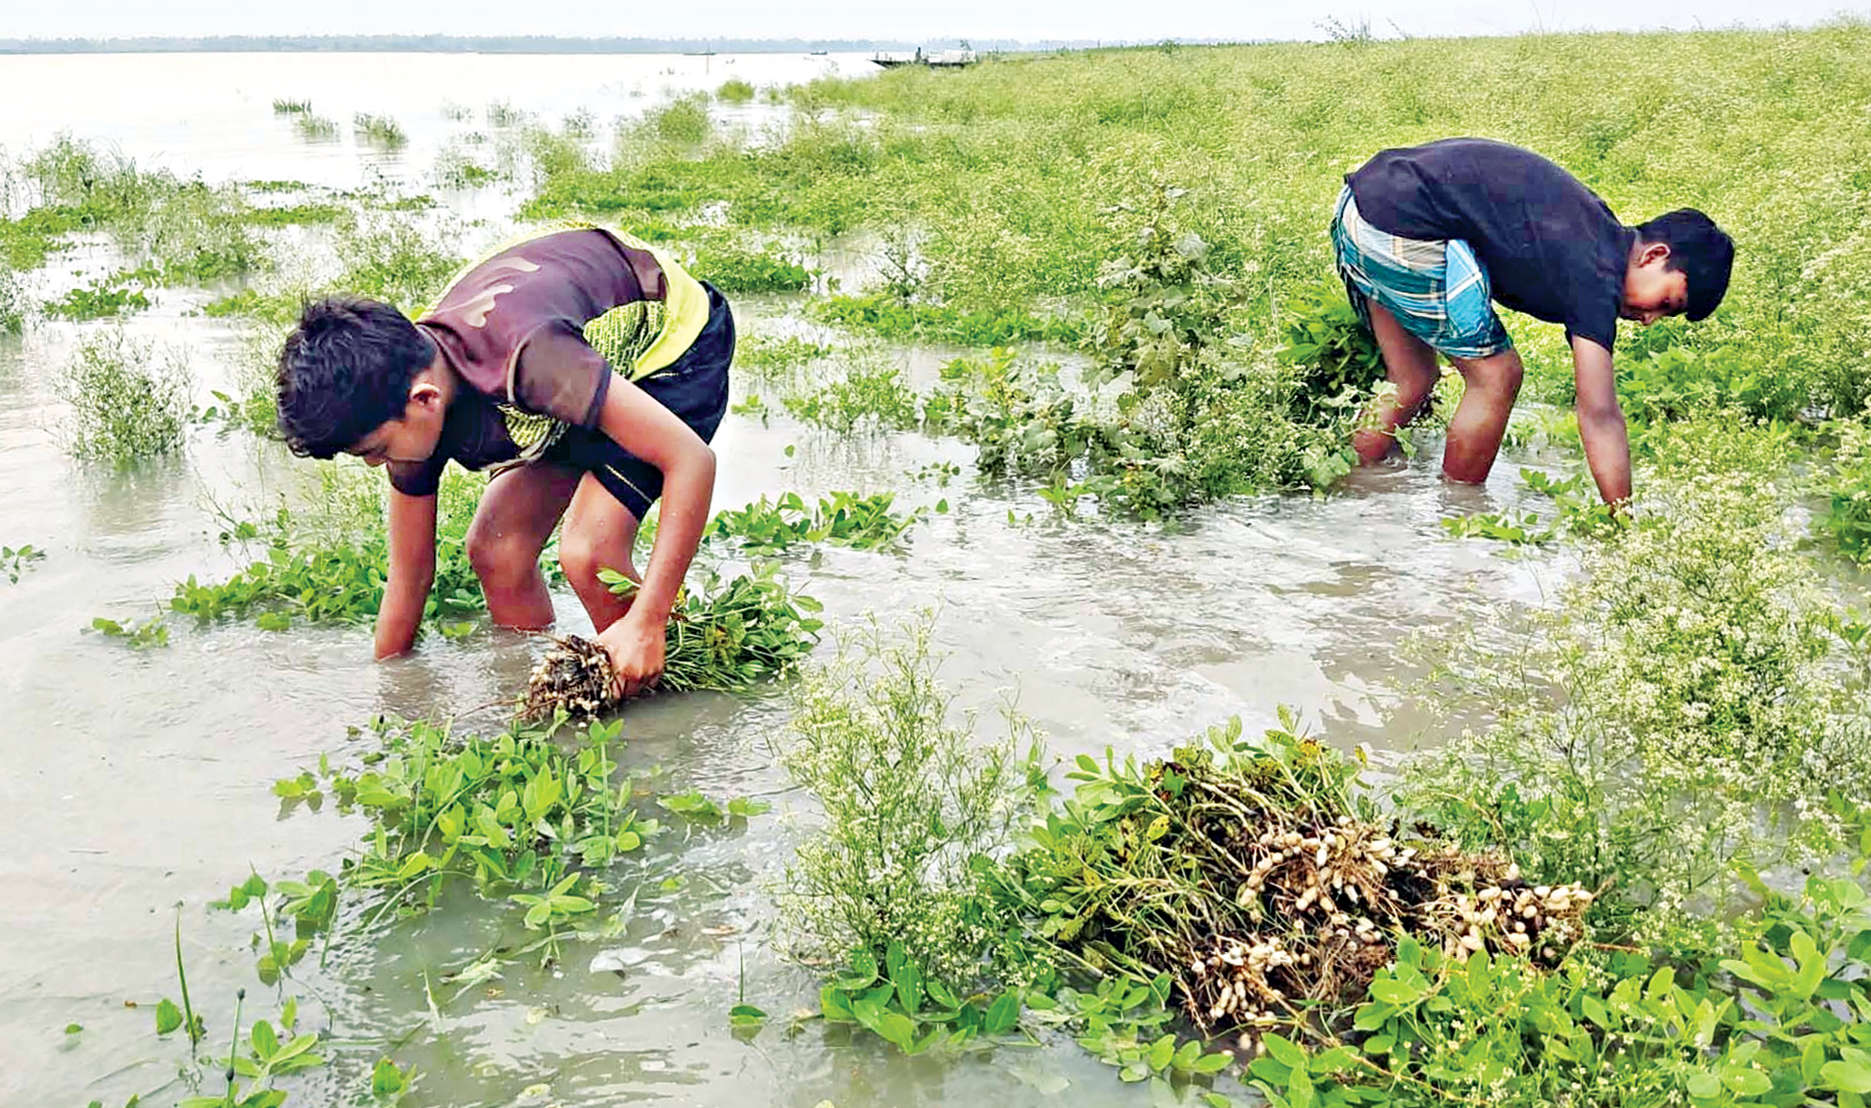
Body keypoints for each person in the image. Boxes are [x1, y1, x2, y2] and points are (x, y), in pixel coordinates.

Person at [275, 224, 733, 696]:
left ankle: (656, 685)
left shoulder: (531, 360)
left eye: (376, 451)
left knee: (589, 553)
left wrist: (648, 620)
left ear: (425, 399)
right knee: (497, 551)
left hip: (672, 347)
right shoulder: (407, 404)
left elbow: (691, 460)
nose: (376, 465)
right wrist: (391, 692)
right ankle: (530, 691)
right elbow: (410, 576)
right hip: (580, 370)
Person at [1331, 137, 1734, 504]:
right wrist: (1622, 520)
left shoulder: (1597, 237)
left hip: (1365, 203)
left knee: (1412, 377)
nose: (1649, 320)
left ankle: (1346, 488)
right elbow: (1599, 413)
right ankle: (1460, 515)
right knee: (1497, 376)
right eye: (1665, 302)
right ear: (1654, 256)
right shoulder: (1597, 274)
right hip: (1400, 224)